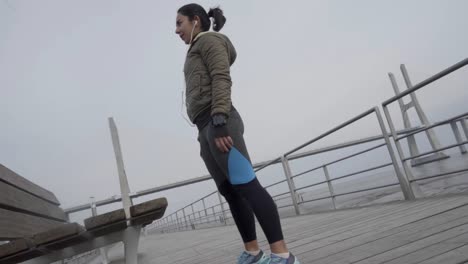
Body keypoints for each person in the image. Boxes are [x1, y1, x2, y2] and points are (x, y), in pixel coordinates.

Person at [175, 3, 301, 264]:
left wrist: (219, 118)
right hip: (204, 127)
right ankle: (253, 253)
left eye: (180, 23)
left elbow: (222, 76)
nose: (176, 30)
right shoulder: (195, 49)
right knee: (231, 192)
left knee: (247, 185)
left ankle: (283, 255)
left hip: (219, 121)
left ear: (195, 20)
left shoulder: (210, 41)